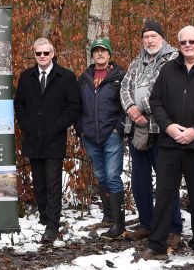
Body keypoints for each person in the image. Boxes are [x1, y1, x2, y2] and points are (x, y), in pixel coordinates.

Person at [140, 26, 194, 265]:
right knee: (164, 196)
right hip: (169, 144)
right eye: (183, 42)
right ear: (178, 45)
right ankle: (157, 244)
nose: (188, 45)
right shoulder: (168, 69)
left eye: (192, 41)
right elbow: (155, 100)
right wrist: (168, 127)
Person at [119, 21, 184, 247]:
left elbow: (162, 90)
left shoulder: (173, 59)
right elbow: (124, 88)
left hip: (162, 128)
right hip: (137, 129)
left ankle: (174, 228)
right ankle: (147, 224)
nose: (149, 41)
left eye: (154, 36)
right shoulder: (136, 63)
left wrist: (143, 108)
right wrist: (131, 110)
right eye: (146, 37)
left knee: (167, 181)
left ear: (162, 38)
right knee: (140, 180)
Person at [15, 37, 80, 243]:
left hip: (54, 138)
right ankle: (44, 216)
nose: (42, 57)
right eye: (38, 53)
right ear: (34, 55)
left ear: (53, 53)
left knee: (53, 183)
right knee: (39, 183)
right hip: (33, 138)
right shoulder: (26, 77)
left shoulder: (67, 77)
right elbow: (20, 105)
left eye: (46, 53)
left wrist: (57, 126)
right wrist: (26, 125)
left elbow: (73, 106)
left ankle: (53, 224)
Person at [75, 37, 126, 239]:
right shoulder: (84, 78)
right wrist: (81, 129)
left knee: (113, 176)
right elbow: (76, 107)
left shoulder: (119, 77)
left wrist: (118, 129)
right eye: (96, 51)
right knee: (101, 175)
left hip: (111, 134)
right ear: (92, 55)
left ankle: (118, 224)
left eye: (103, 51)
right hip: (90, 135)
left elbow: (126, 104)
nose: (100, 54)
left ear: (109, 54)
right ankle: (108, 215)